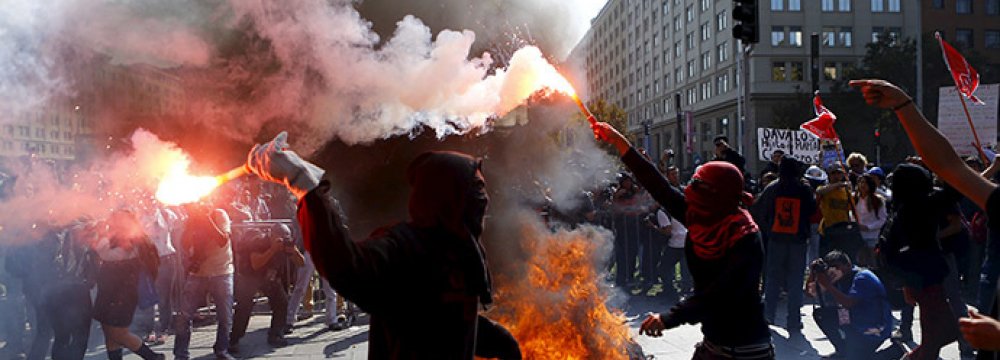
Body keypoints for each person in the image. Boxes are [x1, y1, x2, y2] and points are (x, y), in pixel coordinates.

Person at [245, 132, 521, 359]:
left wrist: (496, 339)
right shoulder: (403, 247)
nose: (483, 198)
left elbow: (438, 319)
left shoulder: (460, 250)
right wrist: (302, 182)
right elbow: (346, 265)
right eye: (476, 188)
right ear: (447, 195)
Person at [592, 123, 773, 359]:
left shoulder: (746, 237)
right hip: (713, 344)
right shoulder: (701, 214)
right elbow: (658, 185)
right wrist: (618, 141)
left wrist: (669, 318)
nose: (689, 192)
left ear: (717, 195)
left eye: (698, 187)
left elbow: (717, 295)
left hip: (747, 352)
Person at [851, 79, 1000, 356]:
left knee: (937, 331)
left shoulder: (900, 210)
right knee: (938, 330)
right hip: (928, 275)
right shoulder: (923, 203)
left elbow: (951, 168)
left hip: (924, 277)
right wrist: (903, 105)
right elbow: (951, 168)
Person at [753, 157, 817, 332]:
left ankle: (768, 317)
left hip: (777, 240)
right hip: (798, 240)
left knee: (773, 279)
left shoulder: (772, 188)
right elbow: (813, 210)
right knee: (795, 281)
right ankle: (794, 321)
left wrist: (769, 230)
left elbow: (758, 210)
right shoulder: (803, 188)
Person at [91, 211, 165, 360]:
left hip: (122, 296)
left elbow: (106, 254)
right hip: (110, 292)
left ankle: (153, 357)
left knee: (119, 333)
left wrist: (103, 234)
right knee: (109, 332)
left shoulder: (132, 241)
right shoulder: (122, 238)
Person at [173, 205, 236, 360]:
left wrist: (206, 218)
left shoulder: (219, 214)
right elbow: (185, 243)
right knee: (184, 316)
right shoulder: (191, 220)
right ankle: (181, 354)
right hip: (198, 273)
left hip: (221, 272)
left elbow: (222, 240)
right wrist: (193, 222)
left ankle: (221, 350)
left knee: (225, 316)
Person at [806, 251, 892, 359]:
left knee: (857, 358)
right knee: (822, 314)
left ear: (848, 265)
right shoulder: (839, 278)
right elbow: (810, 293)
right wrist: (814, 274)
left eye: (837, 267)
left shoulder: (862, 277)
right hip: (855, 319)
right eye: (831, 268)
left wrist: (828, 285)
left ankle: (893, 352)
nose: (835, 271)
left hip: (873, 326)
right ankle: (842, 350)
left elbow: (849, 303)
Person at [230, 224, 303, 351]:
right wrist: (273, 249)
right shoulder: (259, 241)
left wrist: (294, 251)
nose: (282, 241)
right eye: (280, 238)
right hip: (250, 276)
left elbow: (301, 263)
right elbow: (255, 264)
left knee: (282, 302)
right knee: (244, 306)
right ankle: (234, 339)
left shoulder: (286, 246)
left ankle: (275, 334)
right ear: (272, 235)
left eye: (286, 238)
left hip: (269, 276)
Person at [854, 173, 887, 267]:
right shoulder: (854, 199)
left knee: (873, 261)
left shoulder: (878, 200)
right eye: (860, 182)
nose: (862, 185)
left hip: (873, 236)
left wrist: (868, 227)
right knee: (860, 261)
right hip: (858, 235)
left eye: (865, 183)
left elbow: (882, 219)